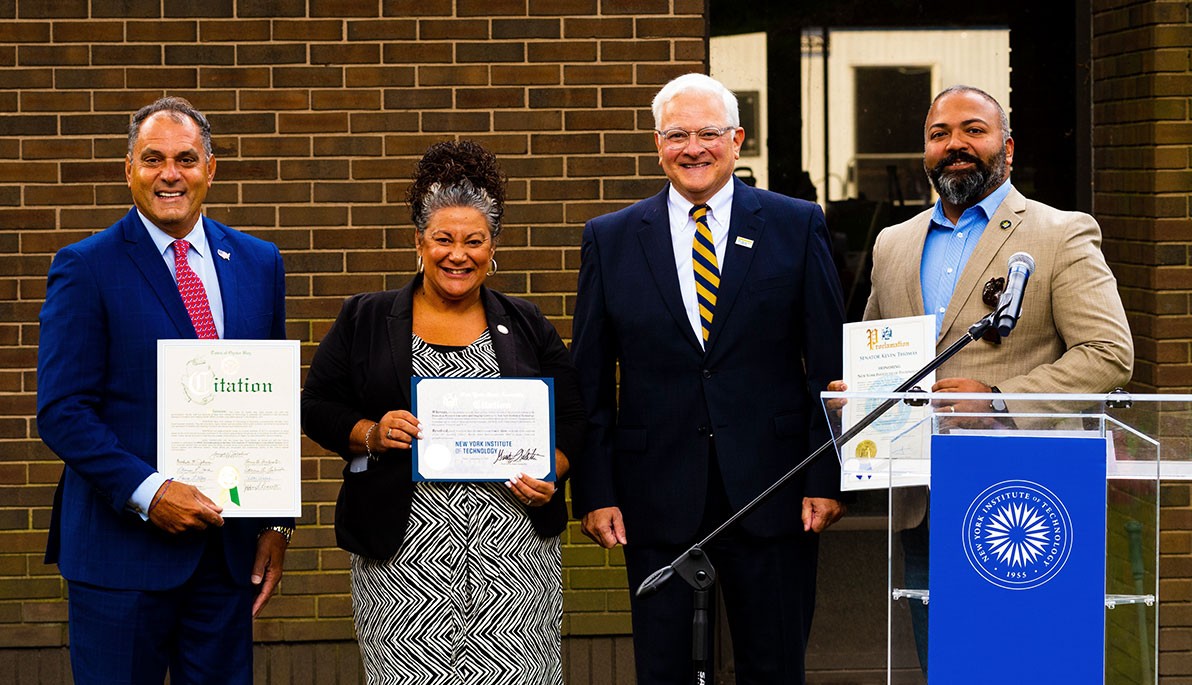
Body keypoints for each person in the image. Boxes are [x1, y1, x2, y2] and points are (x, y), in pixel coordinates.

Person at [830, 85, 1134, 671]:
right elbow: (876, 349)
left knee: (1029, 665)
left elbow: (1108, 353)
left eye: (974, 130)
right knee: (944, 662)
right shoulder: (893, 245)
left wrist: (998, 401)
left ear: (1008, 148)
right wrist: (857, 391)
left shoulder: (1060, 233)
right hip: (924, 497)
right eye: (939, 134)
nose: (955, 145)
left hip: (1028, 498)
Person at [569, 73, 847, 684]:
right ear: (656, 144)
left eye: (708, 133)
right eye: (677, 135)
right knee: (663, 671)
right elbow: (588, 381)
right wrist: (595, 490)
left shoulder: (796, 225)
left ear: (737, 140)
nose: (693, 148)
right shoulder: (610, 238)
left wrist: (825, 475)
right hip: (654, 495)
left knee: (773, 667)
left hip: (776, 488)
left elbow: (830, 369)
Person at [301, 140, 584, 685]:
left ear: (493, 247)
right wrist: (371, 432)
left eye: (474, 241)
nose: (459, 254)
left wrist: (554, 469)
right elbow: (316, 407)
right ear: (418, 242)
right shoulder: (364, 317)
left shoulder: (526, 323)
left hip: (514, 564)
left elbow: (573, 418)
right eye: (443, 239)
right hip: (401, 565)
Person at [36, 96, 292, 684]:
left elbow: (270, 405)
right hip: (120, 556)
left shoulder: (258, 263)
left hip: (226, 557)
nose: (170, 174)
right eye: (153, 159)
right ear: (129, 169)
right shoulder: (86, 266)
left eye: (185, 159)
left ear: (210, 169)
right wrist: (151, 492)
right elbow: (62, 411)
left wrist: (277, 523)